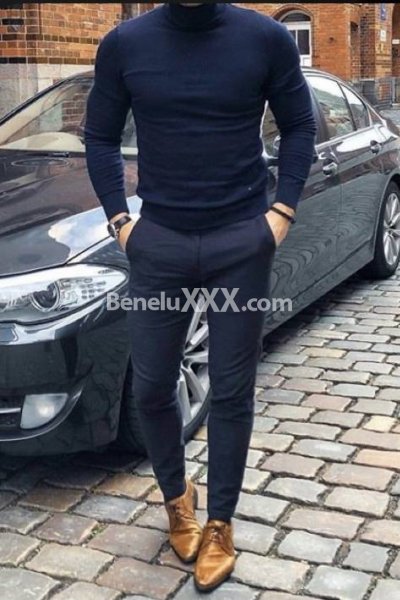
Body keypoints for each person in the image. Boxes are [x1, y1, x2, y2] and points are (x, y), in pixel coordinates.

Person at [84, 2, 317, 592]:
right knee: (153, 386)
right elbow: (100, 136)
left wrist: (281, 212)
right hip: (159, 240)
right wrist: (121, 222)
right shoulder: (126, 44)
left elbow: (300, 125)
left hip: (241, 240)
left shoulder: (265, 38)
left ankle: (220, 523)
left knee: (233, 388)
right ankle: (176, 499)